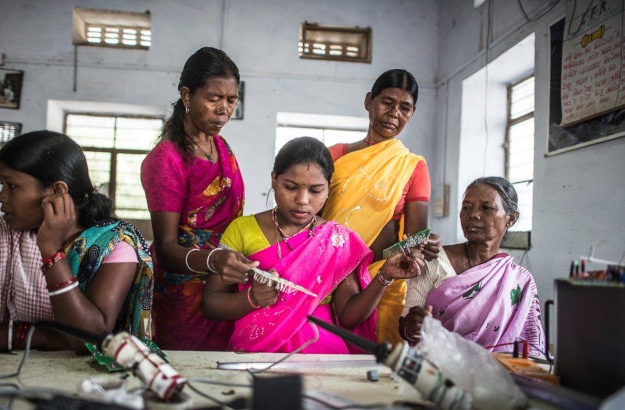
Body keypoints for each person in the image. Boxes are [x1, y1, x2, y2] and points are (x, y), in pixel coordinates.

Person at [0, 131, 153, 354]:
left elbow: (89, 338)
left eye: (12, 186)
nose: (1, 196)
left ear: (56, 191)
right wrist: (40, 335)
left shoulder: (114, 245)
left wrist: (50, 250)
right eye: (0, 185)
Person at [202, 137, 425, 353]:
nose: (302, 200)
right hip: (257, 355)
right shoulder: (242, 229)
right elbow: (211, 303)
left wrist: (384, 276)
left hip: (322, 352)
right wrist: (251, 299)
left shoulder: (337, 240)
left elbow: (348, 316)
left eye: (315, 190)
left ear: (328, 189)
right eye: (290, 187)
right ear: (274, 180)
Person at [322, 69, 438, 345]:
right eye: (387, 102)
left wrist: (419, 248)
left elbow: (415, 240)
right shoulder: (335, 155)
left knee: (379, 370)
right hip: (327, 275)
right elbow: (312, 219)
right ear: (368, 101)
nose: (394, 113)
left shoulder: (413, 166)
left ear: (412, 113)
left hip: (383, 282)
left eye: (405, 107)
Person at [141, 46, 246, 350]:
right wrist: (213, 260)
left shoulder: (222, 147)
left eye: (231, 100)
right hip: (183, 295)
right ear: (187, 95)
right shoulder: (167, 160)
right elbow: (166, 248)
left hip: (223, 283)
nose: (223, 109)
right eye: (213, 98)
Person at [400, 177, 545, 357]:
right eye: (466, 207)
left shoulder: (521, 281)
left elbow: (530, 346)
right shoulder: (434, 261)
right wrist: (413, 326)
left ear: (511, 218)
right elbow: (406, 327)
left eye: (486, 208)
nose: (473, 215)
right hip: (439, 369)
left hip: (499, 374)